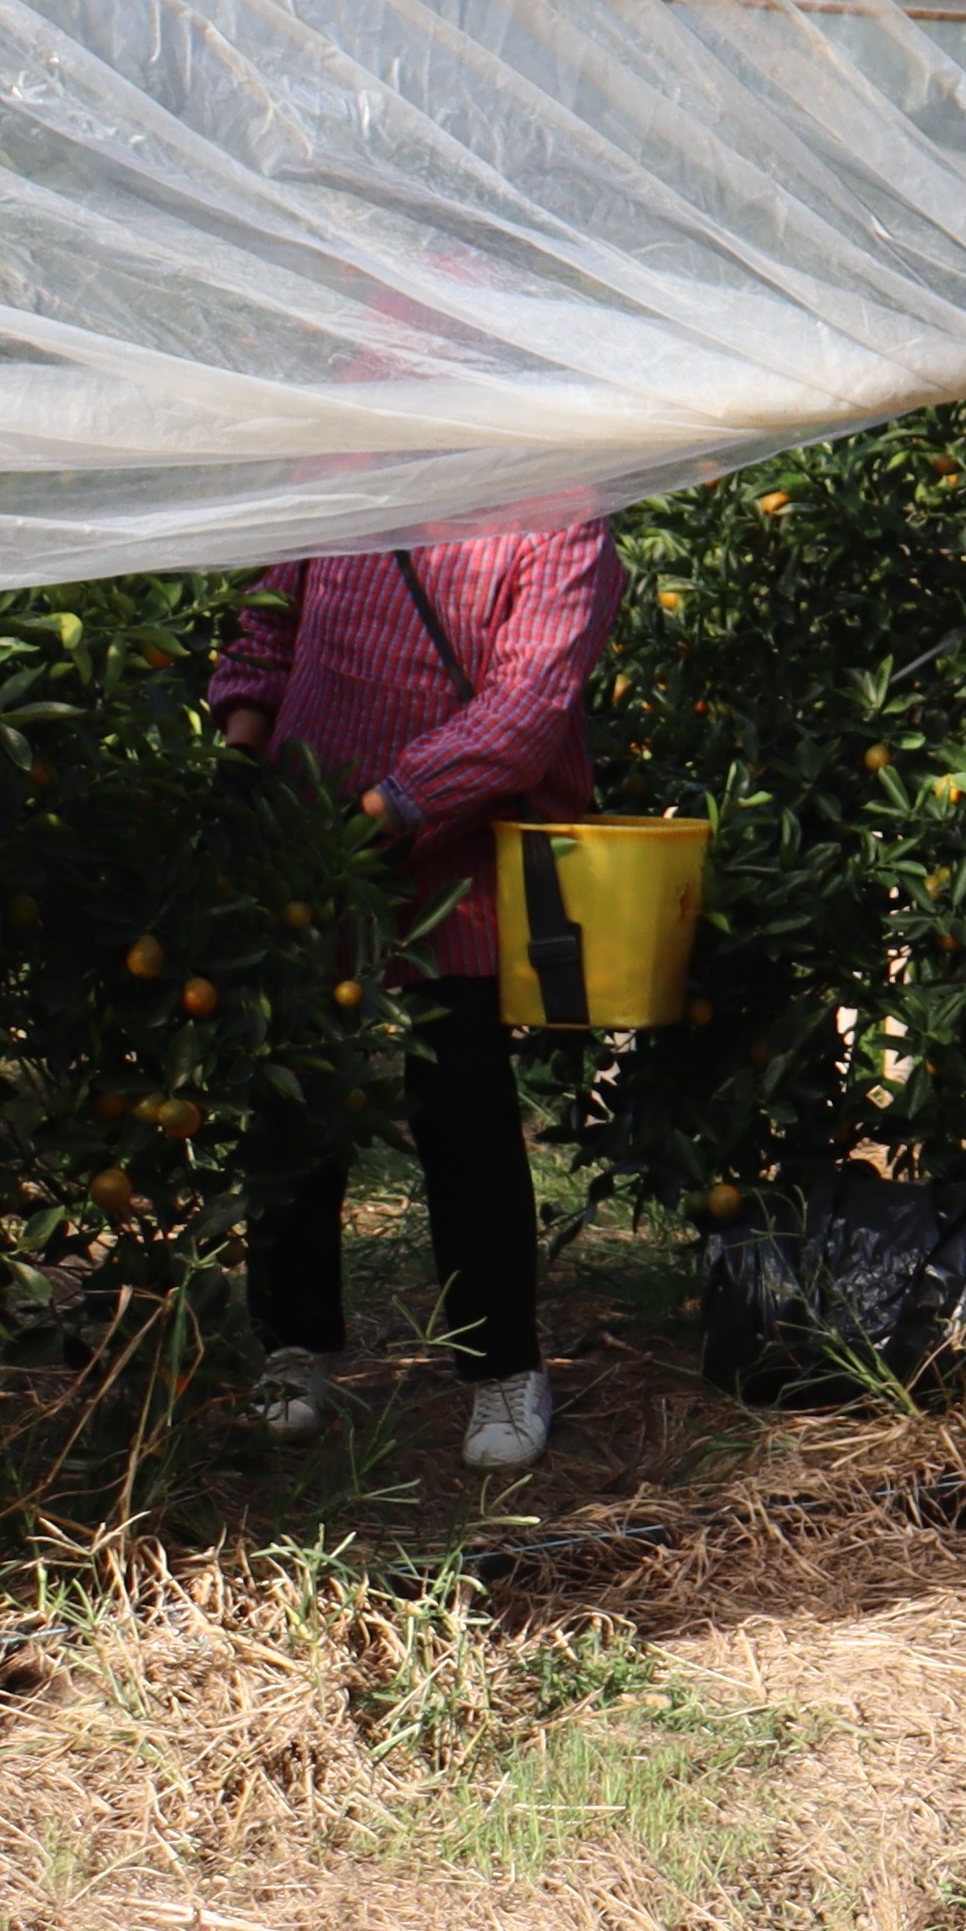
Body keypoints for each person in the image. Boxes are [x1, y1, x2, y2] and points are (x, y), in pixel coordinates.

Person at [216, 519, 630, 1473]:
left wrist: (392, 807)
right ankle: (295, 1348)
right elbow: (269, 622)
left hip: (458, 855)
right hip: (305, 838)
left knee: (462, 1106)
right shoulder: (357, 470)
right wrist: (243, 753)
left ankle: (502, 1366)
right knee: (293, 1104)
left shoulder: (560, 520)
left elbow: (525, 712)